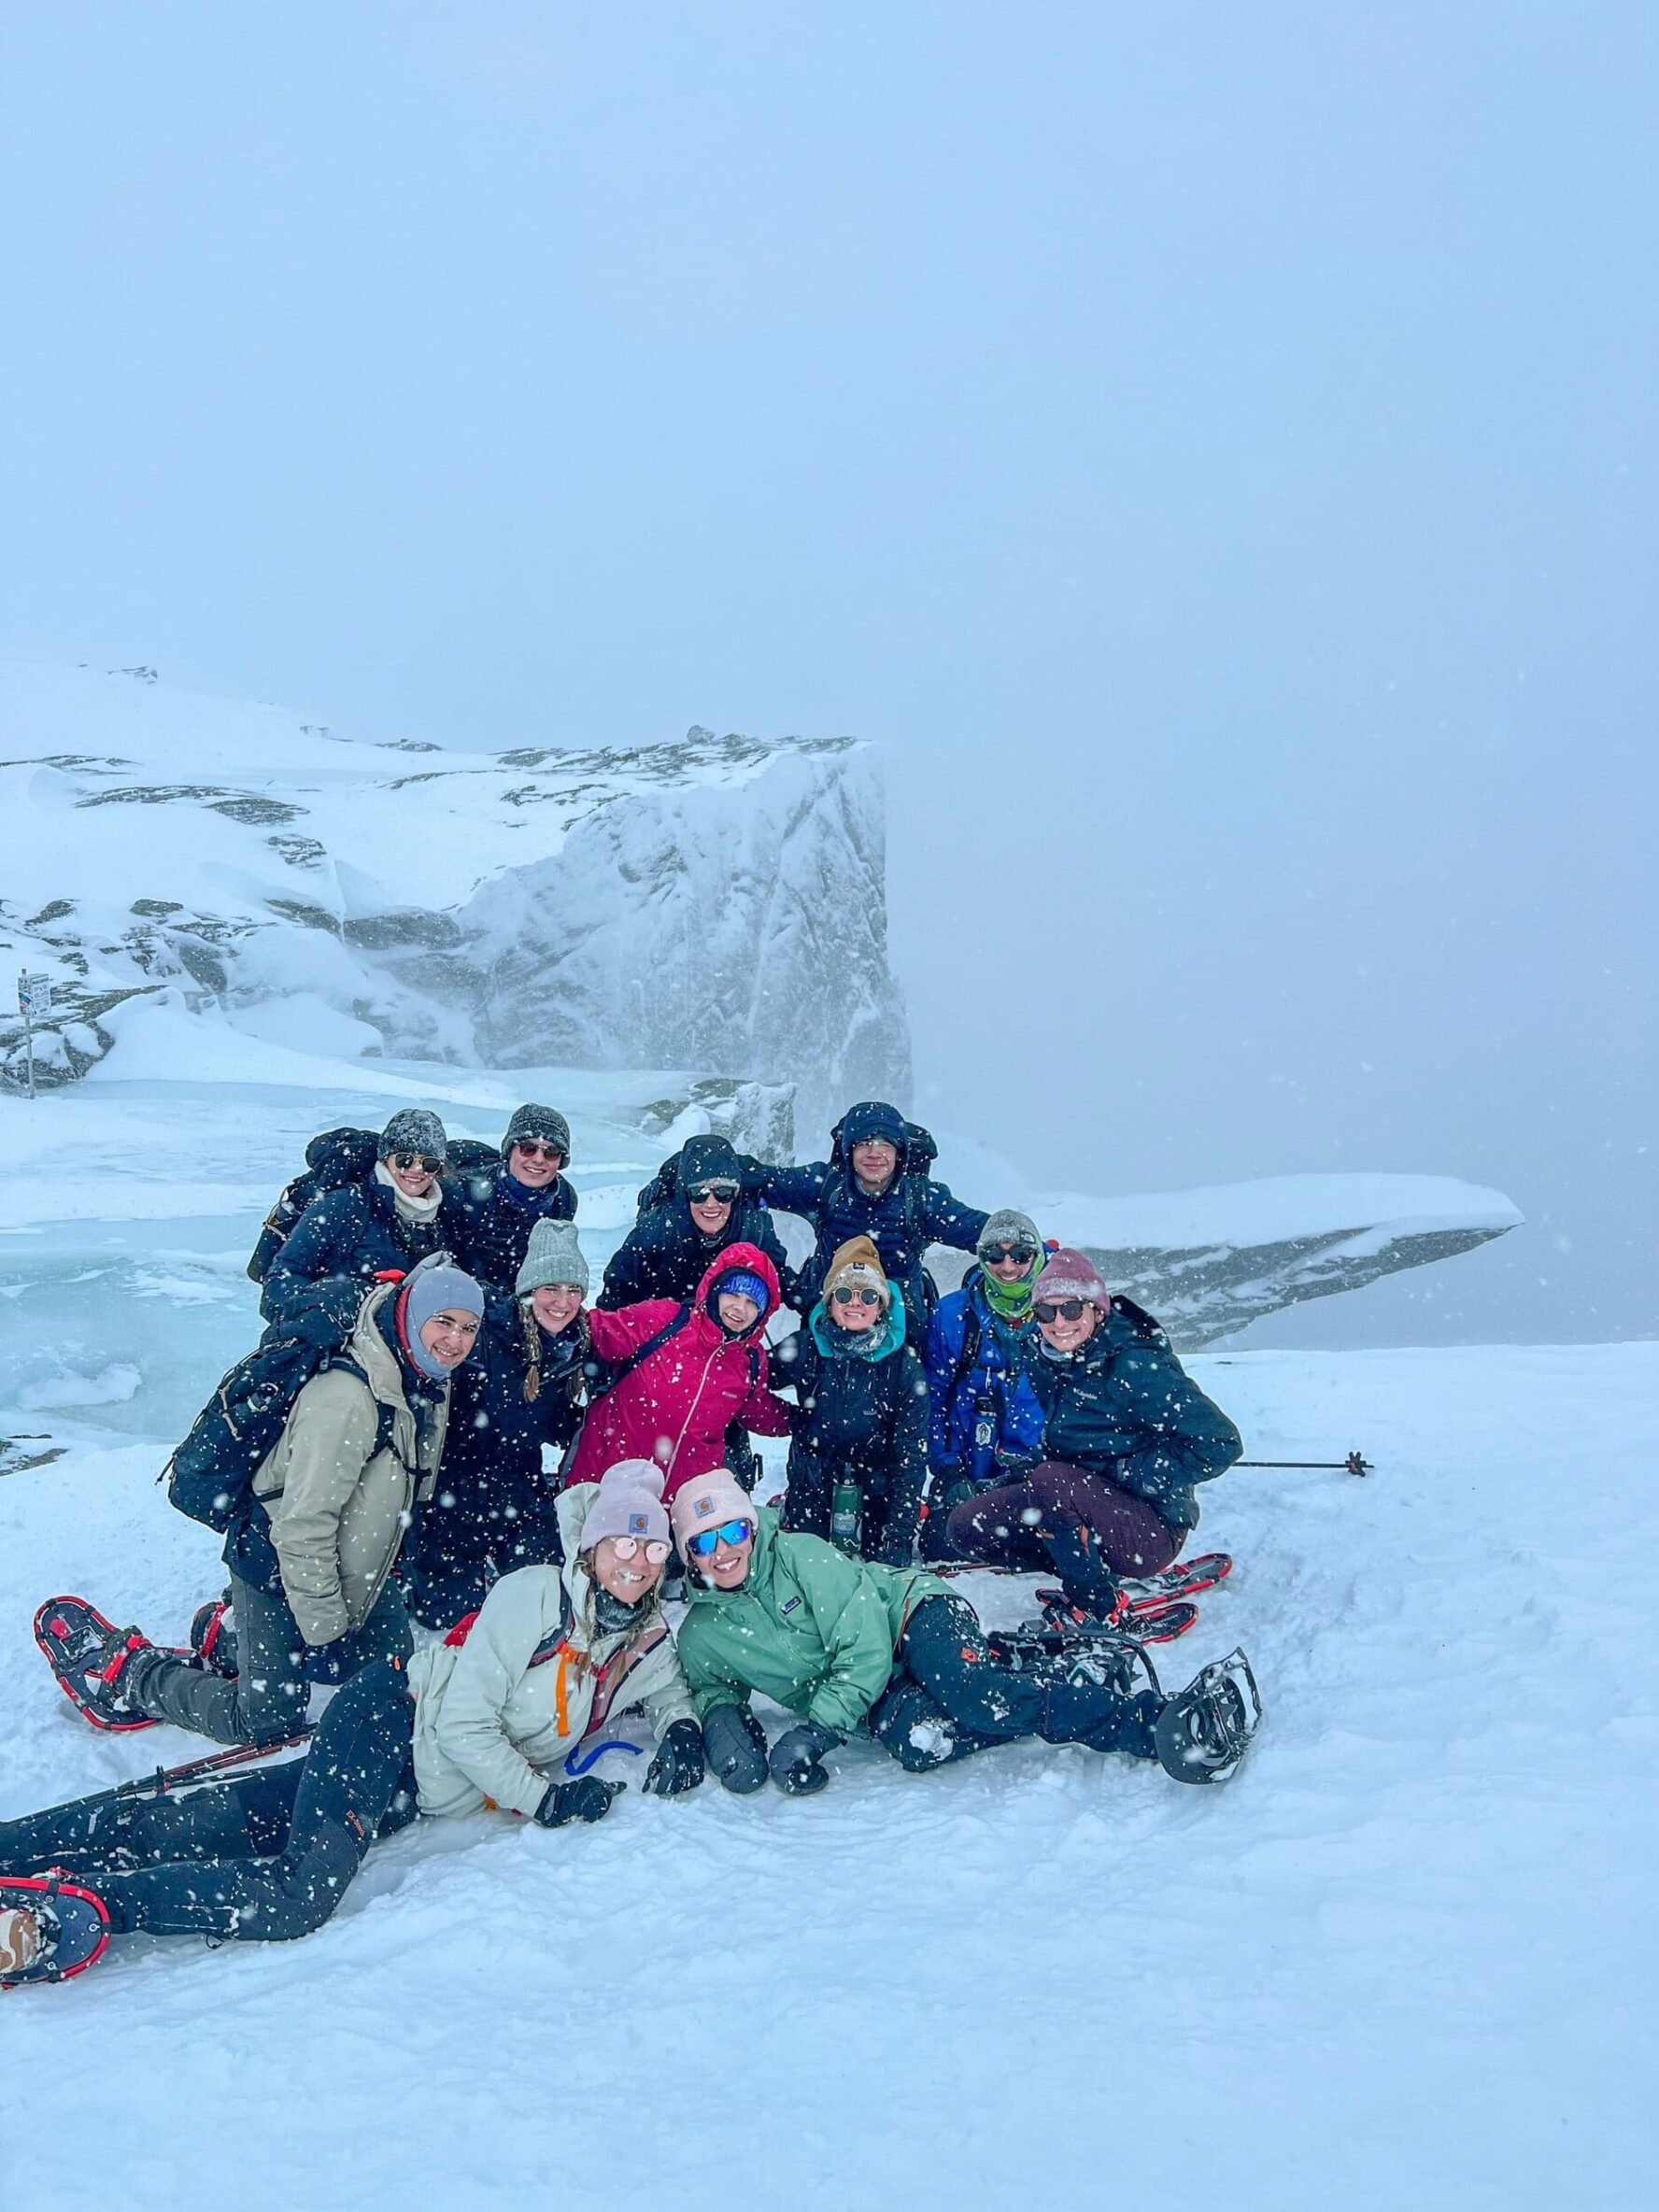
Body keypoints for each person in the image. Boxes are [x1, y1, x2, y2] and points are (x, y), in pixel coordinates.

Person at [0, 1463, 702, 1986]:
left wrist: (680, 1731)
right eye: (624, 1543)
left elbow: (669, 1689)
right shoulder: (535, 1596)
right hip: (392, 1720)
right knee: (297, 1897)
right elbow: (463, 1725)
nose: (638, 1563)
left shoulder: (640, 1640)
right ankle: (79, 1909)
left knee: (208, 1823)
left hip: (409, 1784)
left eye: (653, 1548)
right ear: (593, 1546)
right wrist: (545, 1798)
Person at [77, 1255, 486, 1749]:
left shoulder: (422, 1379)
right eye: (443, 1322)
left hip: (347, 1568)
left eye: (468, 1327)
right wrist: (327, 1626)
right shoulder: (348, 1399)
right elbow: (300, 1528)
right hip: (272, 1563)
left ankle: (231, 1640)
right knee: (267, 1722)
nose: (455, 1340)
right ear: (411, 1315)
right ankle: (137, 1674)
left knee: (395, 1676)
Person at [670, 1470, 1258, 1796]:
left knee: (974, 1695)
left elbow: (865, 1643)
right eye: (704, 1542)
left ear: (752, 1528)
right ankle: (1043, 1675)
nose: (723, 1553)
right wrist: (727, 1731)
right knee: (921, 1745)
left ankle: (1150, 1722)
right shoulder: (702, 1634)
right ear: (688, 1555)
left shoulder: (800, 1555)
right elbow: (711, 1686)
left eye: (732, 1532)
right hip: (876, 1695)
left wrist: (820, 1725)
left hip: (910, 1618)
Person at [943, 1249, 1243, 1612]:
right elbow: (1067, 1444)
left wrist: (1125, 1473)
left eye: (1071, 1309)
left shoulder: (1134, 1365)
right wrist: (1014, 1477)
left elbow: (1220, 1443)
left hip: (1150, 1528)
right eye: (1046, 1311)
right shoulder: (1047, 1361)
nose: (1059, 1322)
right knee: (965, 1526)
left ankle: (1096, 1603)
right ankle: (1086, 1564)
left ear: (1097, 1310)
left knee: (1051, 1481)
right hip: (1084, 1504)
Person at [403, 1220, 593, 1627]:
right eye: (551, 1289)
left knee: (542, 1606)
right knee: (447, 1620)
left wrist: (599, 1424)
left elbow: (551, 1422)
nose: (563, 1302)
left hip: (518, 1485)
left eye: (573, 1290)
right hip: (453, 1490)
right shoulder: (484, 1333)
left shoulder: (572, 1345)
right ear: (527, 1293)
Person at [563, 1243, 793, 1498]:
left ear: (763, 1313)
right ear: (715, 1290)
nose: (740, 1308)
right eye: (733, 1295)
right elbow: (597, 1331)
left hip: (682, 1504)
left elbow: (757, 1411)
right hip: (608, 1480)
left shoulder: (750, 1359)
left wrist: (806, 1420)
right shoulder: (664, 1320)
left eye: (752, 1302)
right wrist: (551, 1313)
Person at [752, 1099, 988, 1334]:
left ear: (899, 1153)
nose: (874, 1153)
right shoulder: (826, 1186)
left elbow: (982, 1232)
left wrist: (1018, 1249)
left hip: (900, 1324)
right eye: (864, 1143)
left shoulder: (921, 1199)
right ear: (849, 1150)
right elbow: (761, 1181)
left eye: (885, 1144)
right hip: (831, 1314)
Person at [768, 1236, 929, 1567]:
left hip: (877, 1491)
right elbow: (751, 1380)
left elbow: (910, 1454)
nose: (855, 1303)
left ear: (881, 1306)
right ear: (829, 1303)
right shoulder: (806, 1347)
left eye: (868, 1295)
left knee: (876, 1564)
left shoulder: (903, 1365)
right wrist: (786, 1418)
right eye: (844, 1294)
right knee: (804, 1565)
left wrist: (898, 1536)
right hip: (813, 1486)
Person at [922, 1209, 1048, 1557]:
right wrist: (946, 1468)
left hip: (1037, 1476)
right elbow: (931, 1400)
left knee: (1044, 1552)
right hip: (965, 1473)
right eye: (995, 1255)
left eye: (1020, 1255)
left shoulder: (1059, 1312)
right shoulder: (952, 1317)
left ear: (1037, 1256)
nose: (1007, 1267)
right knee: (943, 1547)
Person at [260, 1108, 452, 1324]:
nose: (417, 1169)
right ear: (386, 1158)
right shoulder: (343, 1206)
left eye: (429, 1163)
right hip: (339, 1344)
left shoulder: (443, 1214)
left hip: (402, 1347)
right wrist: (322, 1316)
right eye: (404, 1159)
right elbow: (282, 1277)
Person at [599, 1134, 793, 1312]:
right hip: (664, 1330)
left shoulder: (753, 1229)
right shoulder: (656, 1232)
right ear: (685, 1196)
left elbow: (779, 1278)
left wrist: (814, 1306)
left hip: (725, 1330)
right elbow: (615, 1296)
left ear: (735, 1195)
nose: (711, 1204)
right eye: (698, 1194)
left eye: (723, 1193)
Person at [449, 1104, 578, 1315]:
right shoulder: (465, 1190)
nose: (538, 1159)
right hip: (460, 1300)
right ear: (509, 1151)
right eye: (528, 1148)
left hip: (520, 1305)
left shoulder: (564, 1199)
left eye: (552, 1152)